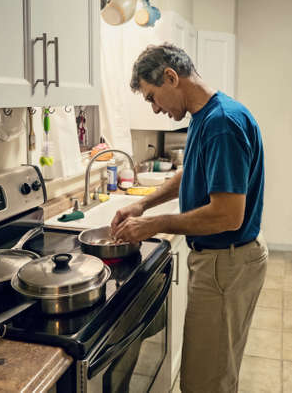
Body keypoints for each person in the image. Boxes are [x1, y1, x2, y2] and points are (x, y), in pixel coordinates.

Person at [111, 43, 267, 393]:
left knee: (205, 383)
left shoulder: (222, 123)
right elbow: (192, 171)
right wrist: (144, 205)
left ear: (171, 77)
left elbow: (227, 215)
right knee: (216, 371)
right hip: (224, 261)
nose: (154, 108)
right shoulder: (205, 115)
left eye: (153, 97)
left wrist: (156, 224)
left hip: (225, 263)